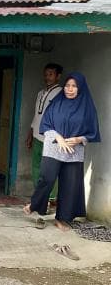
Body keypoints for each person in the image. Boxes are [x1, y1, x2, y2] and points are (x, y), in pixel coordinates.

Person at [23, 72, 100, 231]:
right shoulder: (56, 103)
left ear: (80, 88)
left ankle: (61, 218)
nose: (69, 89)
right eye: (67, 85)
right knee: (47, 178)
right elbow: (46, 125)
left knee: (69, 185)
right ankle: (35, 205)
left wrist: (79, 139)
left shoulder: (87, 108)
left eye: (73, 86)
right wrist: (59, 138)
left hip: (74, 151)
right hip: (54, 147)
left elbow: (92, 132)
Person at [26, 63, 63, 204]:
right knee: (36, 168)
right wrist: (30, 133)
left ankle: (51, 198)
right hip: (37, 136)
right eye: (46, 74)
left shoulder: (61, 94)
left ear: (58, 76)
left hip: (52, 138)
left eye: (51, 74)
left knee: (50, 169)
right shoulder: (40, 93)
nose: (47, 77)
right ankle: (40, 196)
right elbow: (36, 115)